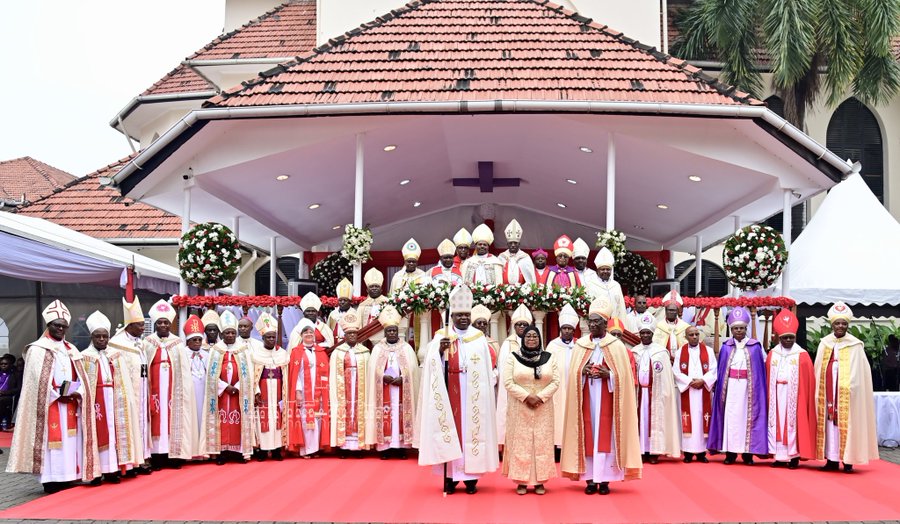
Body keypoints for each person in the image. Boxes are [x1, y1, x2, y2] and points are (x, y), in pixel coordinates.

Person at [6, 301, 99, 493]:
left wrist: (78, 391)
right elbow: (35, 382)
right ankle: (51, 480)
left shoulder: (71, 349)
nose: (61, 329)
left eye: (64, 326)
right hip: (50, 403)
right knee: (53, 443)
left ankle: (69, 476)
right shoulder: (37, 349)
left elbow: (81, 377)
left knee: (70, 441)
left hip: (71, 402)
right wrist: (56, 394)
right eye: (57, 325)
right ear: (49, 325)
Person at [417, 285, 499, 495]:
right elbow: (431, 366)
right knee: (450, 429)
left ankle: (471, 478)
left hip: (472, 393)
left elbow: (485, 368)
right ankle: (451, 477)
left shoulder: (478, 338)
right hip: (449, 394)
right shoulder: (440, 337)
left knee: (472, 430)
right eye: (459, 315)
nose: (463, 318)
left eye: (466, 315)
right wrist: (440, 351)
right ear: (451, 316)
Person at [560, 298, 641, 495]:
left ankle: (604, 480)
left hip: (608, 400)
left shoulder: (616, 346)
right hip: (587, 398)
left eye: (597, 321)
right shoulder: (581, 346)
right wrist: (582, 371)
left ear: (605, 324)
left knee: (605, 438)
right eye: (590, 321)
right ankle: (589, 479)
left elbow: (625, 377)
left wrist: (610, 375)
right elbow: (572, 374)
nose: (593, 325)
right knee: (588, 436)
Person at [814, 302, 878, 472]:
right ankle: (832, 460)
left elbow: (860, 374)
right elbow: (819, 368)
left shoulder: (855, 345)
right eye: (837, 323)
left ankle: (848, 460)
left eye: (843, 323)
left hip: (847, 395)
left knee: (847, 424)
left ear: (847, 325)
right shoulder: (824, 343)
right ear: (832, 324)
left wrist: (852, 387)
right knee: (830, 425)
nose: (840, 326)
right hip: (828, 393)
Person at [503, 325, 560, 495]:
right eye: (528, 336)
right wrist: (526, 396)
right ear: (523, 339)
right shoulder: (513, 358)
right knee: (521, 442)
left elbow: (556, 381)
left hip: (543, 406)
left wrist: (540, 397)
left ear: (540, 339)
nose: (531, 339)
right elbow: (508, 382)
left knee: (541, 443)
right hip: (520, 406)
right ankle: (521, 480)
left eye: (535, 336)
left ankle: (539, 481)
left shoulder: (549, 357)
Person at [708, 307, 767, 465]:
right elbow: (721, 370)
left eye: (741, 328)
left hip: (749, 389)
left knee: (748, 419)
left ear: (746, 328)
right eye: (735, 328)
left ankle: (747, 454)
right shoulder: (726, 347)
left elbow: (759, 371)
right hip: (731, 388)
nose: (739, 331)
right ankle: (731, 453)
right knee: (731, 419)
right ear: (731, 329)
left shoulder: (754, 347)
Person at [142, 299, 194, 469]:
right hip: (155, 387)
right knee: (157, 419)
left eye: (166, 322)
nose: (163, 325)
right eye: (160, 323)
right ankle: (157, 456)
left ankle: (174, 456)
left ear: (170, 323)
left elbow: (185, 371)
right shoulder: (147, 343)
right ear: (155, 324)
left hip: (174, 390)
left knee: (172, 420)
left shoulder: (177, 343)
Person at [200, 311, 256, 464]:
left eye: (233, 332)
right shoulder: (215, 350)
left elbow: (249, 373)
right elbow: (211, 375)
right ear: (222, 334)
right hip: (222, 395)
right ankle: (222, 452)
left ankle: (238, 452)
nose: (230, 335)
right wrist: (225, 387)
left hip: (238, 394)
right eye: (227, 333)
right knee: (223, 422)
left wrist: (237, 386)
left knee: (238, 422)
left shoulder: (243, 349)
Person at [766, 309, 816, 469]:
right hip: (776, 394)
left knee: (792, 423)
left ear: (795, 337)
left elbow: (808, 380)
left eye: (791, 337)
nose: (788, 340)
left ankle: (794, 456)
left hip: (794, 396)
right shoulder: (773, 354)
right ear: (779, 338)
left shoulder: (802, 355)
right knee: (776, 422)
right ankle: (778, 456)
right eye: (785, 338)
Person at [367, 306, 419, 459]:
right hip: (384, 389)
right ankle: (385, 448)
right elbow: (372, 369)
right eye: (389, 331)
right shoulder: (377, 349)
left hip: (401, 389)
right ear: (385, 332)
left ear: (398, 332)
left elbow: (413, 369)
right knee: (386, 415)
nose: (391, 333)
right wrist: (381, 376)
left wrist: (403, 378)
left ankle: (401, 448)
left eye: (394, 331)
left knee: (399, 414)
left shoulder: (406, 348)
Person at [109, 297, 152, 475]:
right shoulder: (116, 345)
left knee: (142, 423)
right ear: (129, 326)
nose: (143, 328)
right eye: (140, 325)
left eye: (143, 325)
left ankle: (142, 458)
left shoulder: (139, 343)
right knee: (131, 424)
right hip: (128, 393)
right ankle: (132, 462)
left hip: (142, 390)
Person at [631, 313, 680, 463]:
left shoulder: (661, 352)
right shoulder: (634, 351)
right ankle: (640, 450)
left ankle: (654, 452)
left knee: (654, 421)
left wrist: (665, 393)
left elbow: (666, 379)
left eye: (648, 333)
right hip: (638, 393)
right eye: (642, 333)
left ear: (653, 334)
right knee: (640, 420)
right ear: (639, 334)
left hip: (656, 394)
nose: (645, 335)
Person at [82, 311, 124, 485]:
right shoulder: (84, 356)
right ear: (91, 337)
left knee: (113, 434)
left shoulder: (114, 355)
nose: (101, 340)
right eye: (97, 336)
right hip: (96, 401)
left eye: (104, 336)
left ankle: (112, 470)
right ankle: (96, 472)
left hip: (113, 399)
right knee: (97, 435)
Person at [286, 319, 330, 457]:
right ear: (302, 335)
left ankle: (316, 448)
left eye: (311, 332)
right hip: (304, 392)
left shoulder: (321, 351)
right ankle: (306, 449)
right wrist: (298, 391)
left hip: (319, 391)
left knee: (318, 418)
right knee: (305, 419)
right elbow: (295, 374)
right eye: (306, 332)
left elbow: (326, 372)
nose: (309, 334)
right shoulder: (296, 352)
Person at [673, 325, 717, 463]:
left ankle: (701, 452)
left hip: (703, 390)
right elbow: (676, 371)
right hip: (688, 390)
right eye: (691, 335)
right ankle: (687, 452)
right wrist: (689, 382)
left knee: (701, 420)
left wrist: (703, 380)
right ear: (686, 337)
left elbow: (713, 369)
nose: (694, 337)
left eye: (696, 334)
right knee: (688, 418)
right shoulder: (681, 352)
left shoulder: (708, 351)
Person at [329, 309, 370, 457]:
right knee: (345, 411)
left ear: (358, 336)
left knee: (358, 411)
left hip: (359, 387)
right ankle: (344, 446)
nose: (352, 336)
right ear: (345, 336)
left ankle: (359, 447)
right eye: (349, 334)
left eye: (354, 334)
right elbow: (334, 374)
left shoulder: (365, 352)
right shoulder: (338, 352)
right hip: (344, 387)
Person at [252, 312, 289, 462]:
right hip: (264, 391)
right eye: (268, 337)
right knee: (264, 420)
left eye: (273, 336)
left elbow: (286, 375)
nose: (271, 339)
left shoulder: (282, 353)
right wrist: (257, 391)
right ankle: (262, 450)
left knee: (277, 420)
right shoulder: (256, 354)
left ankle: (276, 450)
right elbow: (254, 376)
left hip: (279, 392)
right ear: (262, 338)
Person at [497, 304, 533, 447]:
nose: (522, 327)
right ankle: (508, 445)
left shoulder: (534, 341)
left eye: (524, 324)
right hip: (511, 388)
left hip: (530, 387)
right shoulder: (508, 343)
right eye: (519, 324)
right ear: (514, 326)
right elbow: (503, 367)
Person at [547, 304, 578, 459]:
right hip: (557, 389)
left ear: (574, 330)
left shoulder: (579, 345)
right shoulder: (552, 346)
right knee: (558, 416)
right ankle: (557, 449)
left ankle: (572, 448)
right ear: (560, 329)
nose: (567, 331)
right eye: (564, 328)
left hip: (574, 388)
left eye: (570, 329)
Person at [182, 314, 208, 459]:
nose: (197, 342)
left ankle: (204, 451)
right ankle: (191, 452)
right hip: (189, 395)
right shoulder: (182, 354)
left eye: (199, 339)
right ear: (188, 341)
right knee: (190, 420)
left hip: (204, 393)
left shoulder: (207, 355)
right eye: (194, 340)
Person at [391, 238, 427, 343]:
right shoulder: (397, 276)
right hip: (401, 313)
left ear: (417, 262)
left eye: (414, 261)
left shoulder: (422, 275)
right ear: (404, 261)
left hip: (418, 313)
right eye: (409, 261)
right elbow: (392, 296)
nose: (411, 263)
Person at [586, 248, 627, 321]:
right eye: (602, 269)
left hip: (614, 324)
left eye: (608, 269)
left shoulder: (616, 285)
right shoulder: (591, 285)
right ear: (598, 271)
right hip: (598, 324)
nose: (605, 271)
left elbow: (621, 308)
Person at [653, 291, 690, 361]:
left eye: (673, 310)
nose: (671, 312)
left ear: (677, 311)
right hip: (664, 360)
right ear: (665, 311)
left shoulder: (684, 326)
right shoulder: (659, 326)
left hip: (681, 360)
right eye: (669, 310)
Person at [498, 219, 535, 284]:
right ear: (507, 244)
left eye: (515, 243)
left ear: (519, 244)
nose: (513, 245)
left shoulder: (525, 257)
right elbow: (497, 276)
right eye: (510, 243)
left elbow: (530, 279)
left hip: (521, 291)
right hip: (503, 291)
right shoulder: (502, 257)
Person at [357, 268, 389, 344]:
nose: (374, 288)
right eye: (371, 286)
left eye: (376, 286)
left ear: (381, 289)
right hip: (365, 338)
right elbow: (358, 324)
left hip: (382, 336)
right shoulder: (362, 305)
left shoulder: (387, 303)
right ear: (367, 290)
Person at [0, 354, 21, 430]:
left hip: (8, 396)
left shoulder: (15, 375)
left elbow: (18, 389)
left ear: (10, 365)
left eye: (5, 364)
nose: (3, 365)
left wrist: (4, 392)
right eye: (1, 364)